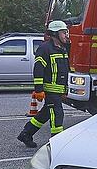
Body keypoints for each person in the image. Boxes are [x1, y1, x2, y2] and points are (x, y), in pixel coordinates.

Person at [18, 20, 71, 148]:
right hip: (50, 90)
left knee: (45, 113)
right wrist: (39, 90)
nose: (66, 35)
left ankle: (26, 134)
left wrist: (65, 90)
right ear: (55, 34)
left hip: (58, 91)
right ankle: (57, 143)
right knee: (57, 114)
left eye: (66, 32)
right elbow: (38, 70)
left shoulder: (62, 49)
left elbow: (64, 71)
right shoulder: (45, 49)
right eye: (63, 32)